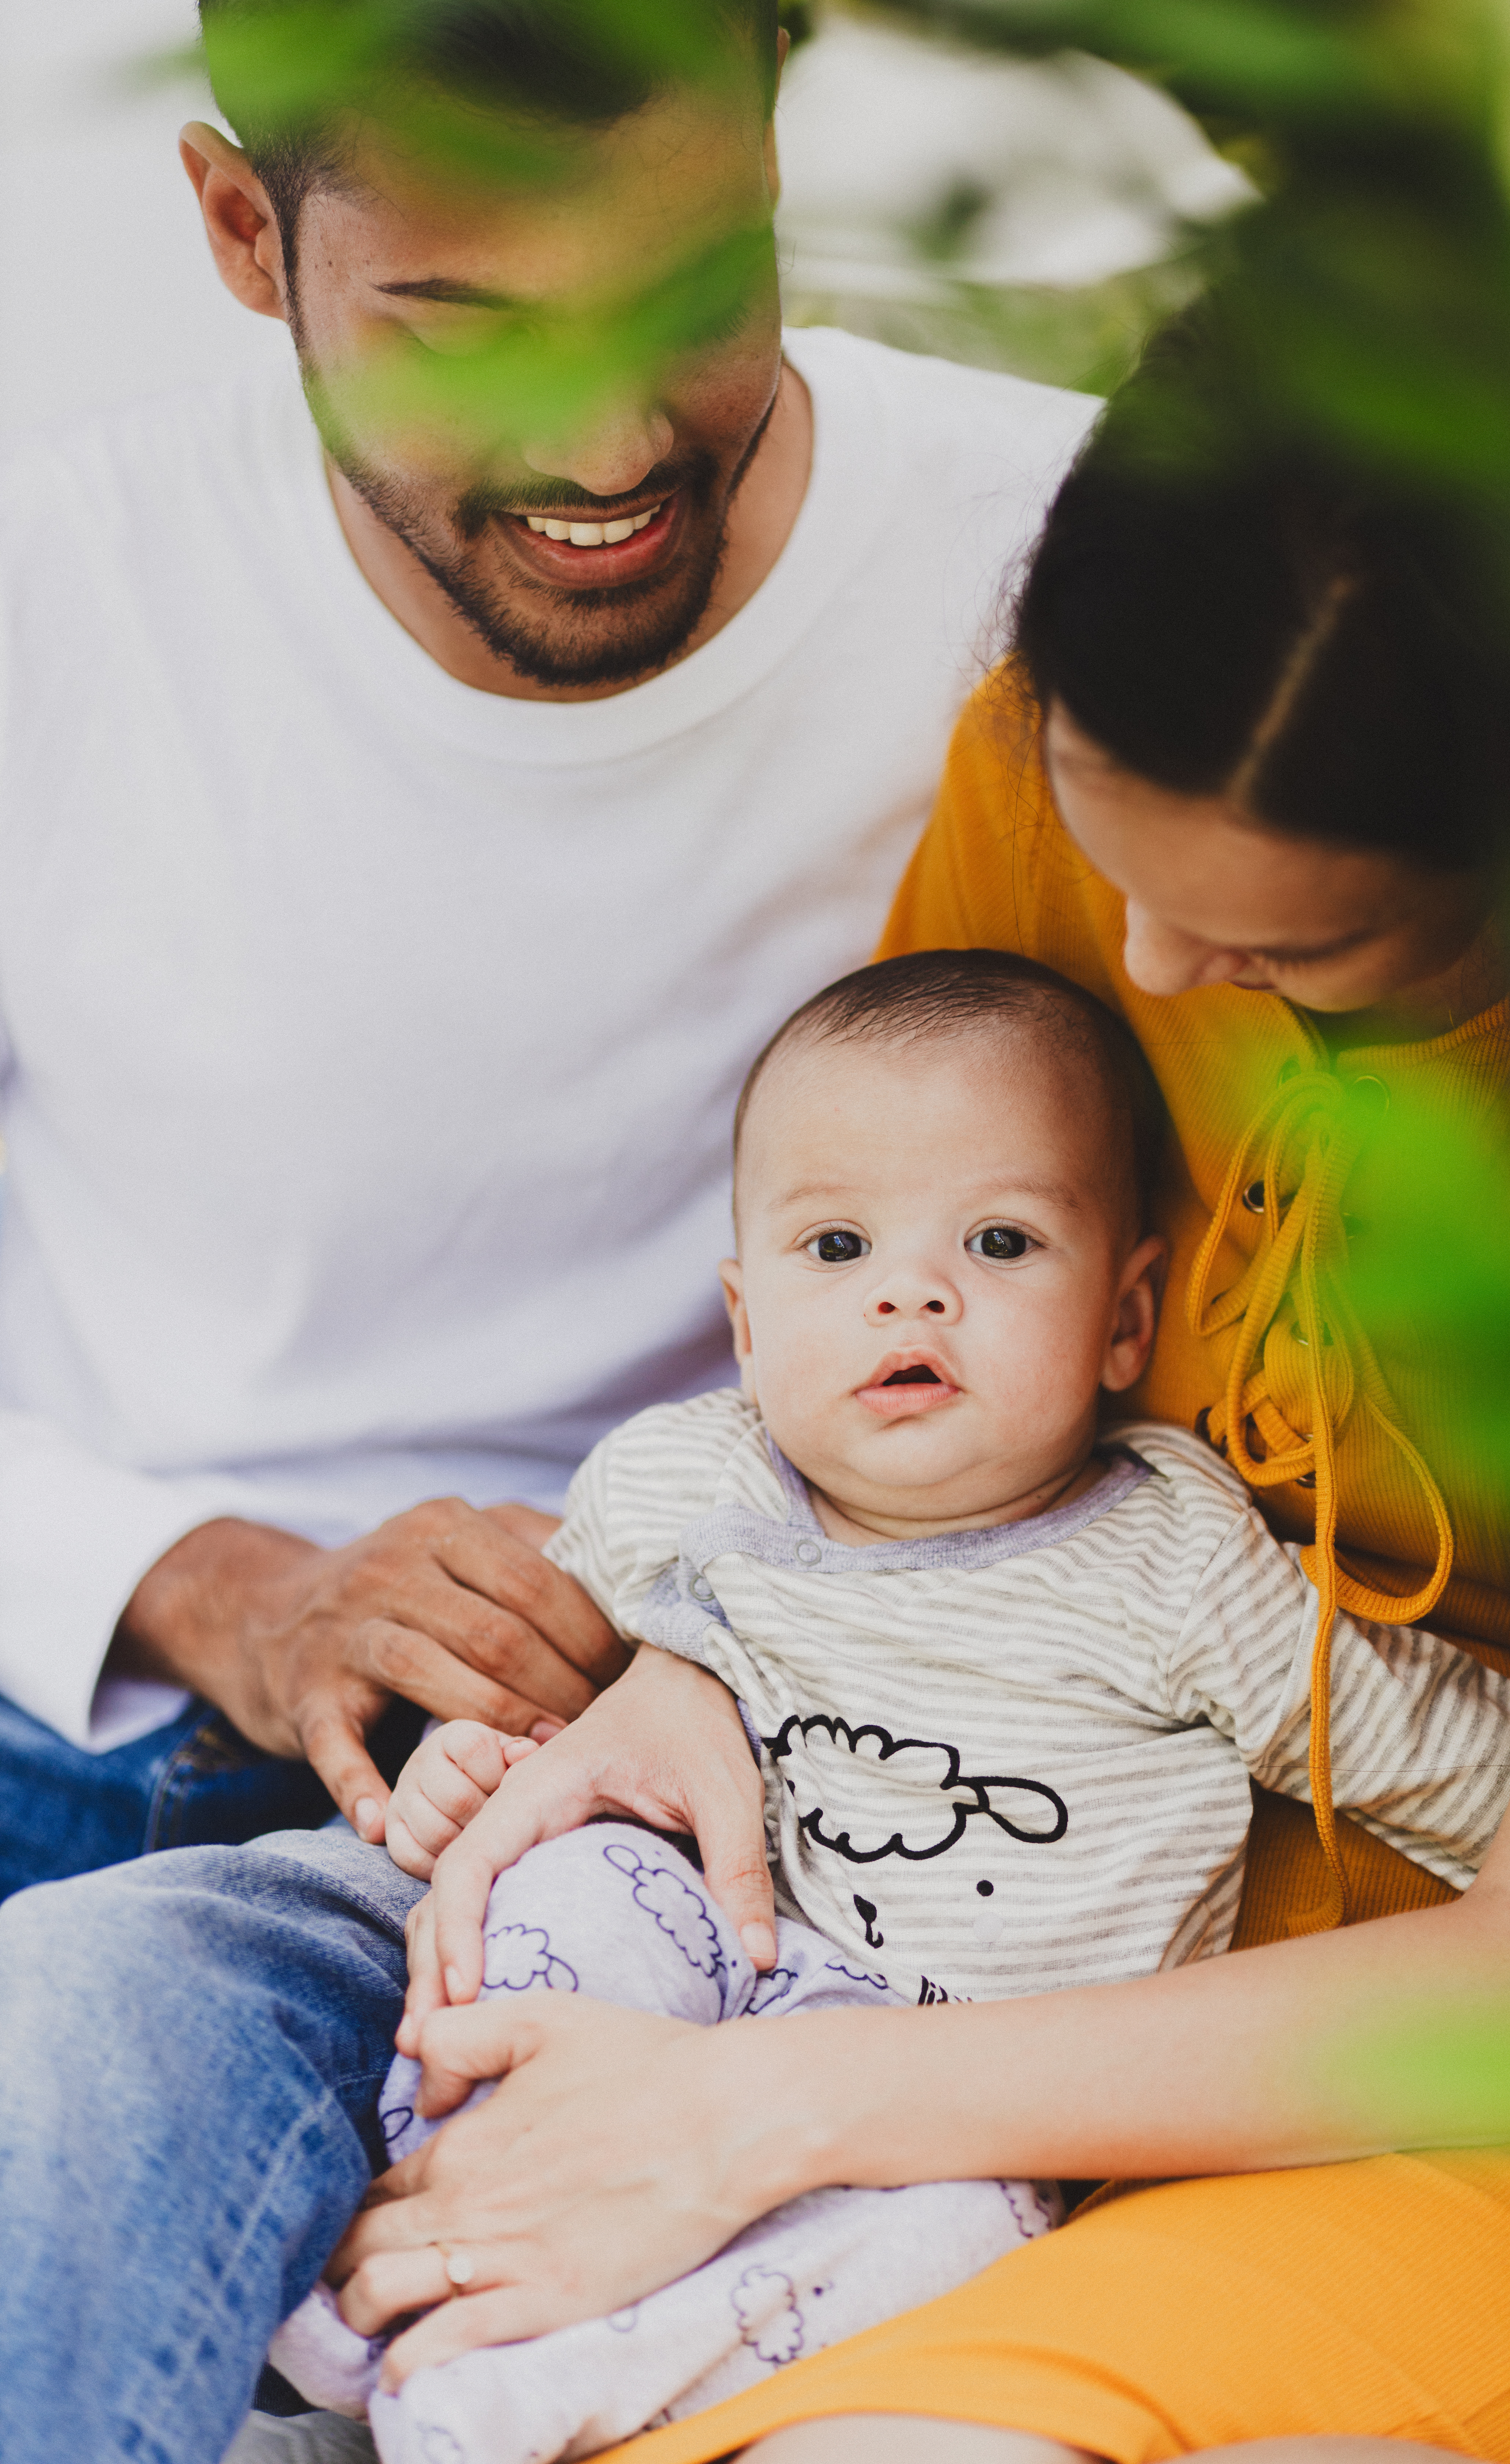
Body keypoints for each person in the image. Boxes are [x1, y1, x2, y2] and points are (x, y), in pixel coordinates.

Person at [304, 334, 1510, 2464]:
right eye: (1106, 842)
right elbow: (840, 1339)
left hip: (1467, 2083)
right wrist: (692, 1669)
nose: (1151, 965)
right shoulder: (1063, 767)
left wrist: (752, 2119)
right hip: (879, 1944)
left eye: (1300, 952)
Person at [0, 0, 1093, 1896]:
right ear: (247, 239)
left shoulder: (1068, 575)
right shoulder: (56, 596)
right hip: (104, 1709)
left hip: (772, 1754)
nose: (610, 444)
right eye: (468, 328)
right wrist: (226, 1596)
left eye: (691, 290)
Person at [275, 949, 1510, 2463]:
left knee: (939, 2246)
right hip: (717, 1962)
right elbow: (561, 1709)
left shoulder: (1183, 1572)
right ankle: (416, 2229)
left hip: (976, 2103)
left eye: (1000, 1241)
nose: (910, 1288)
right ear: (743, 1322)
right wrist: (475, 1767)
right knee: (565, 1881)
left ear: (1127, 1321)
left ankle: (502, 2388)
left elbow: (1469, 1771)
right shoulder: (686, 1484)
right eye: (836, 1245)